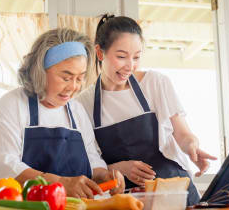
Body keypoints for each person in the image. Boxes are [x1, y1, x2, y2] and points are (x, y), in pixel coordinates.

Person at [76, 15, 217, 205]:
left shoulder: (155, 83)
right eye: (121, 56)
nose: (130, 66)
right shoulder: (83, 104)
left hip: (174, 191)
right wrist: (119, 168)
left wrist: (192, 146)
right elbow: (88, 162)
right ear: (100, 53)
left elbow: (183, 134)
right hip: (128, 200)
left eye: (136, 57)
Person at [0, 28, 125, 198]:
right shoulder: (12, 105)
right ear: (40, 71)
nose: (73, 87)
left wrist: (104, 175)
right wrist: (58, 183)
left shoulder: (76, 111)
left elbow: (91, 158)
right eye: (66, 78)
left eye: (79, 78)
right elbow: (5, 166)